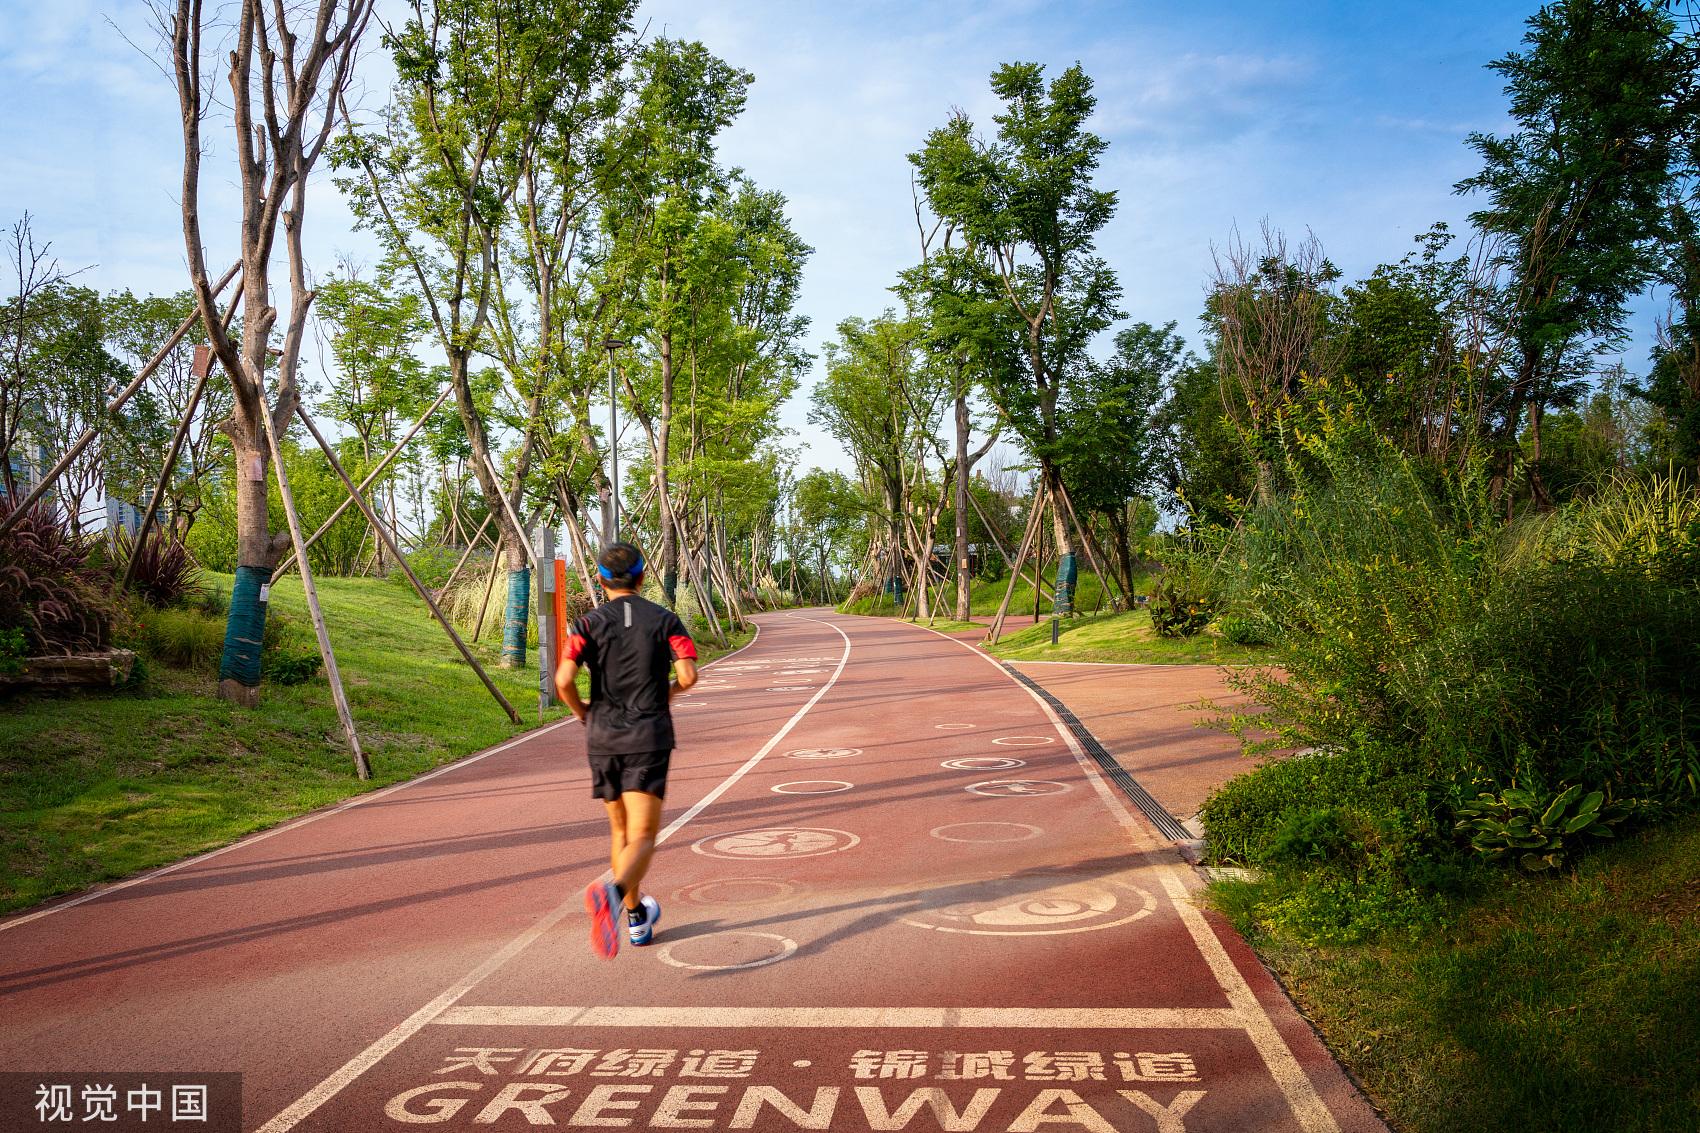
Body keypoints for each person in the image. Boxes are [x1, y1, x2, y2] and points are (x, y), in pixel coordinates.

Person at [555, 541, 698, 958]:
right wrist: (664, 696)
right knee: (644, 836)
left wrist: (583, 711)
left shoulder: (588, 623)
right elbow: (688, 676)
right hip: (647, 735)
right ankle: (613, 894)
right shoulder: (666, 619)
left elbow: (564, 680)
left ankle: (636, 919)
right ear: (642, 575)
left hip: (601, 736)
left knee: (620, 832)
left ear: (601, 579)